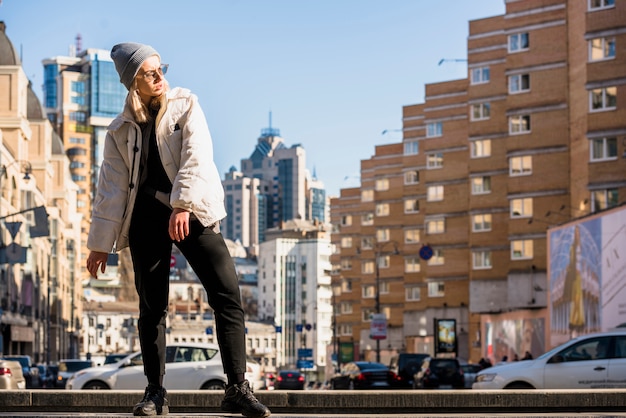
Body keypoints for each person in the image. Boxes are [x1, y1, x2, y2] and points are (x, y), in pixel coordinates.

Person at [86, 42, 270, 418]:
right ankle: (155, 394)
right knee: (152, 308)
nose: (159, 78)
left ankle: (237, 387)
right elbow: (112, 188)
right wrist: (99, 244)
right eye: (149, 73)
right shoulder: (119, 129)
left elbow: (197, 155)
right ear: (132, 82)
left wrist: (182, 204)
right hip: (145, 219)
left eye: (160, 69)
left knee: (227, 295)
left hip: (193, 211)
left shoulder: (186, 103)